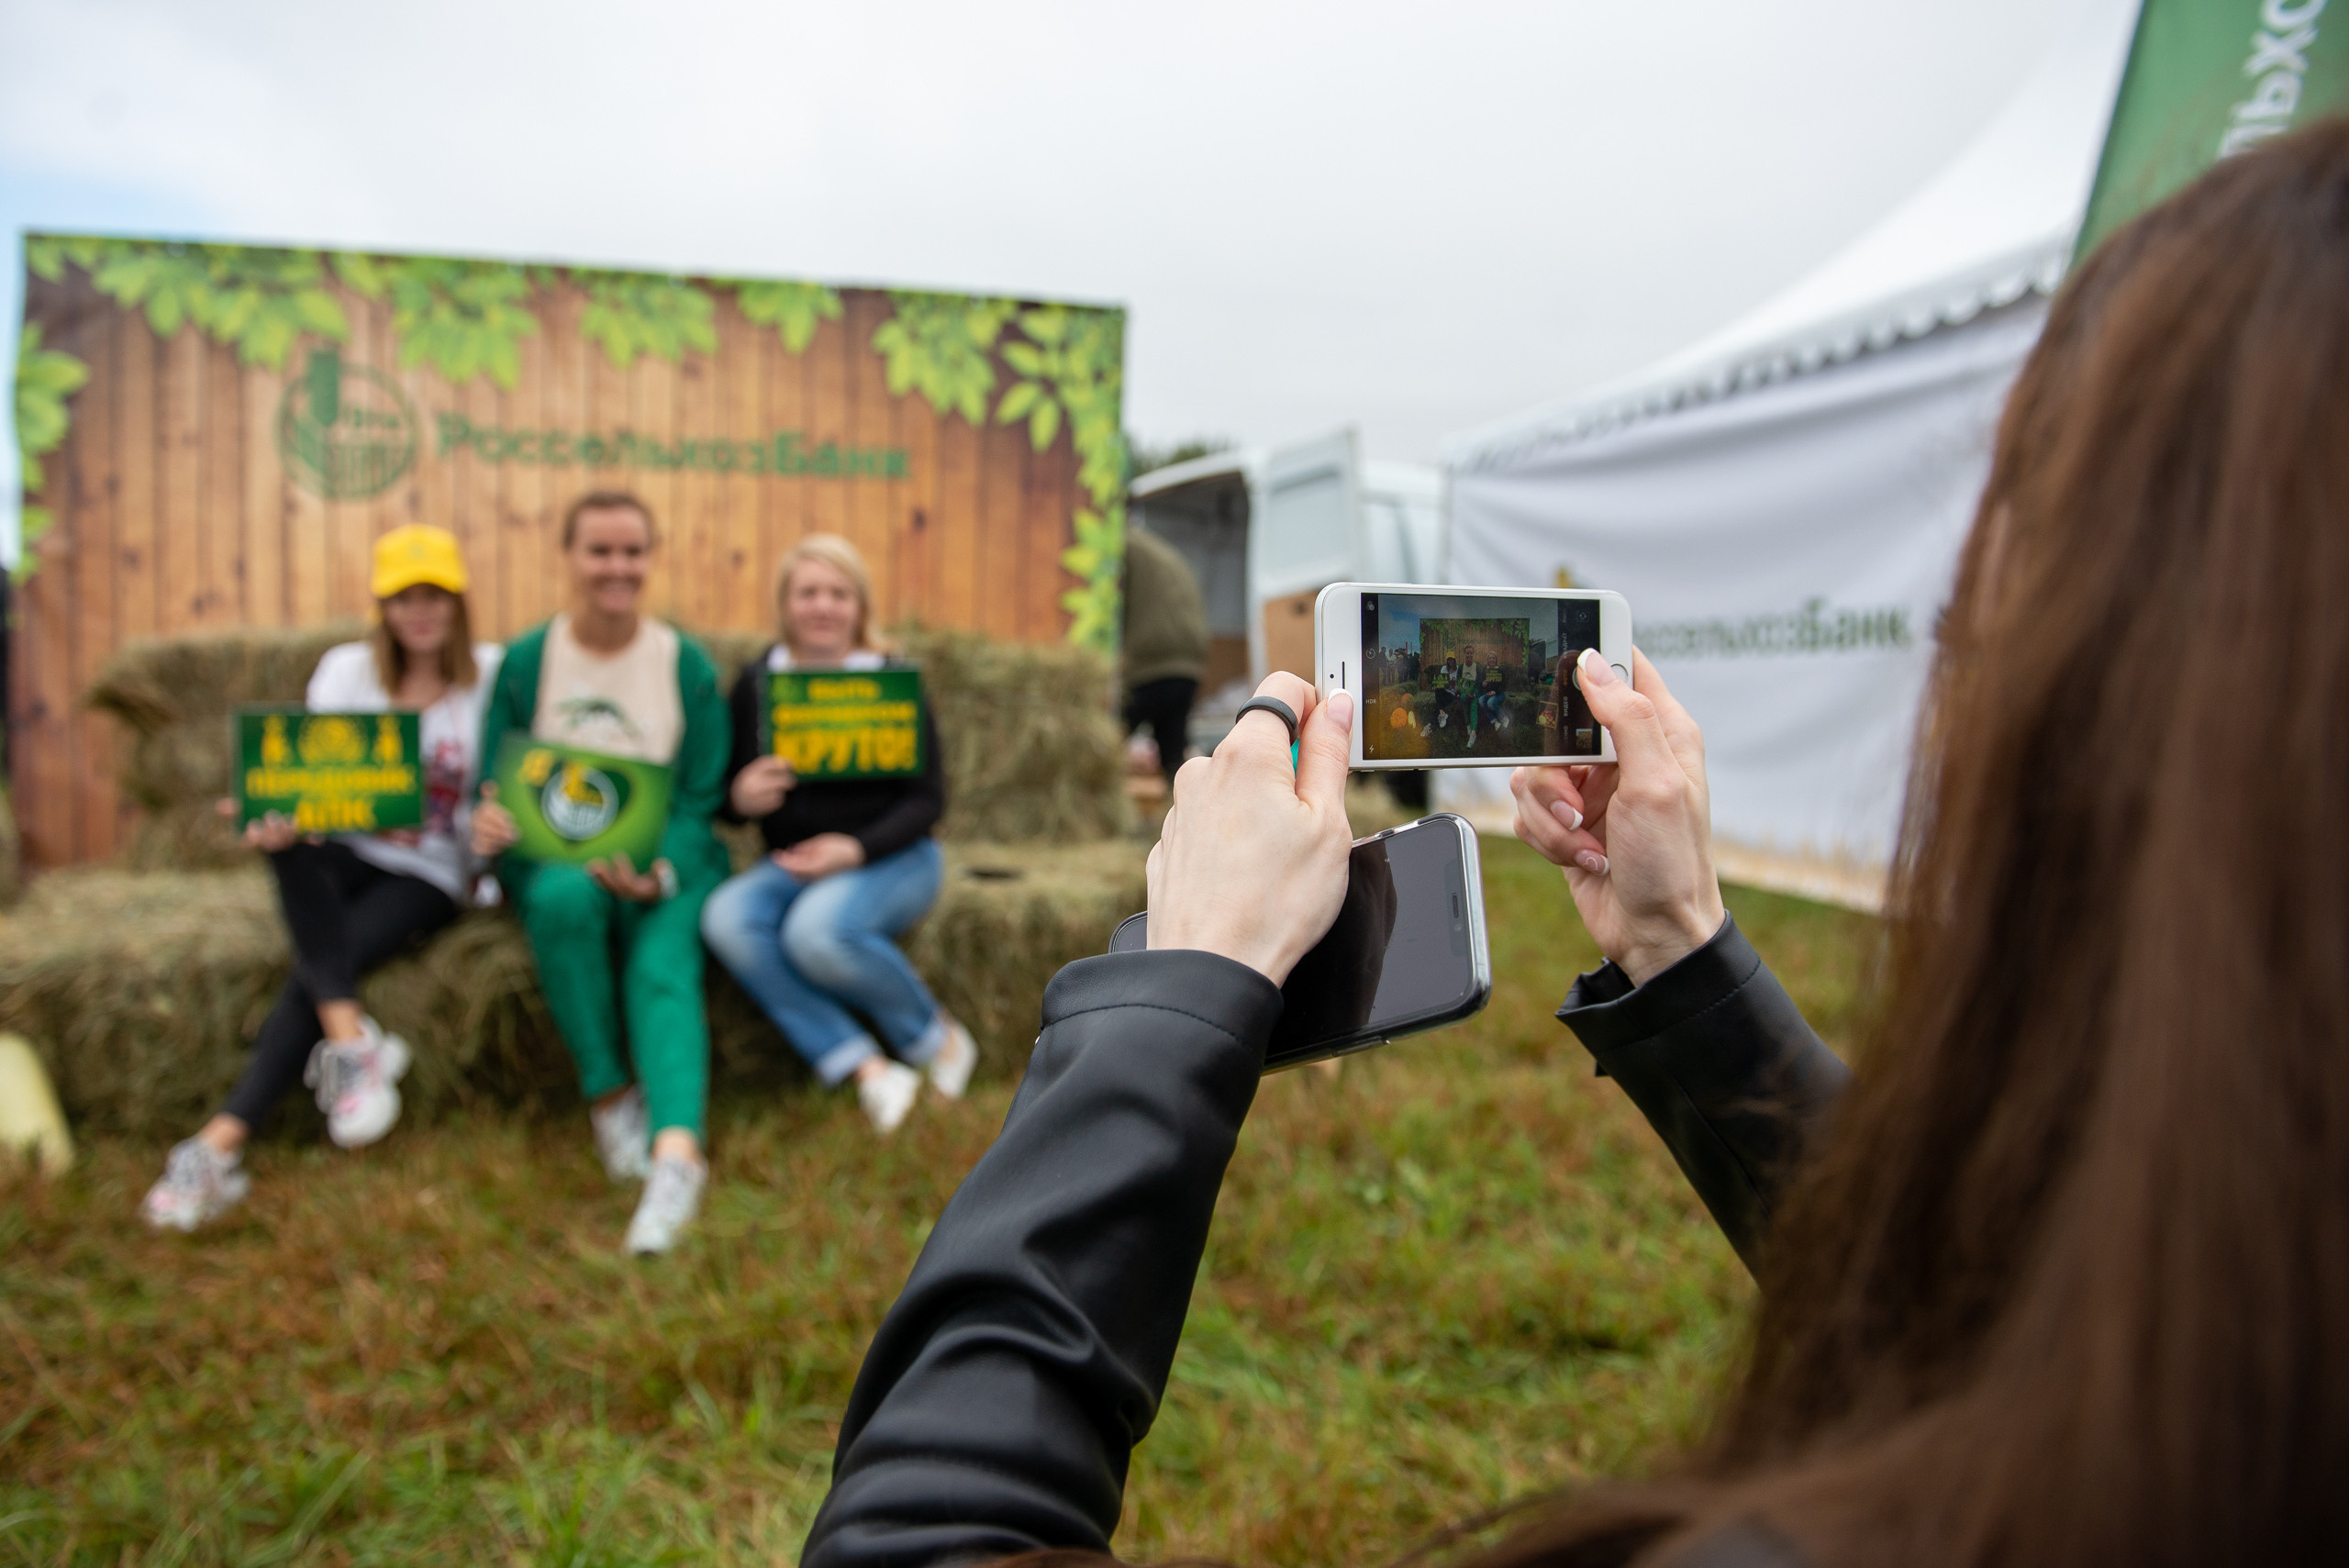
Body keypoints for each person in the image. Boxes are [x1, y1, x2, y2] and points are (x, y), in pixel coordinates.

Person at [795, 121, 2349, 1567]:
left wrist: (1173, 993)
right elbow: (1987, 1320)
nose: (1952, 629)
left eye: (1999, 552)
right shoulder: (2226, 1363)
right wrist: (1687, 961)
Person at [141, 525, 501, 1231]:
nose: (420, 611)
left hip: (431, 871)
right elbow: (313, 784)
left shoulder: (491, 675)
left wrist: (438, 821)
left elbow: (501, 794)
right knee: (287, 846)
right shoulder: (346, 672)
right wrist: (282, 811)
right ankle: (351, 1044)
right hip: (345, 851)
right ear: (384, 606)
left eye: (434, 595)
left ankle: (220, 1140)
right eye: (404, 597)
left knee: (319, 964)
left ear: (458, 603)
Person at [471, 491, 730, 1256]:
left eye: (632, 552)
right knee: (559, 903)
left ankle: (677, 1154)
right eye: (600, 551)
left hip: (660, 863)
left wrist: (657, 873)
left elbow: (700, 794)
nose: (617, 568)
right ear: (570, 558)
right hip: (560, 860)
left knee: (662, 962)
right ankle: (611, 1094)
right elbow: (501, 777)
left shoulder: (682, 662)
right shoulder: (527, 661)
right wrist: (493, 824)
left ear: (652, 558)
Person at [700, 534, 976, 1135]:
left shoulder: (891, 678)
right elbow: (725, 800)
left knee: (816, 932)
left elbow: (928, 800)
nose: (822, 606)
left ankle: (937, 1036)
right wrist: (741, 796)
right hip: (793, 861)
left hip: (893, 855)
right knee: (724, 916)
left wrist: (853, 849)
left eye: (838, 593)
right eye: (808, 593)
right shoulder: (756, 681)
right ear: (785, 604)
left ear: (859, 606)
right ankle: (864, 1065)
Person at [1119, 523, 1210, 789]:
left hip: (1151, 660)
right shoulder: (1160, 550)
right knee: (1174, 755)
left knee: (1105, 742)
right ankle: (1181, 808)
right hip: (1188, 662)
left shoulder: (1121, 546)